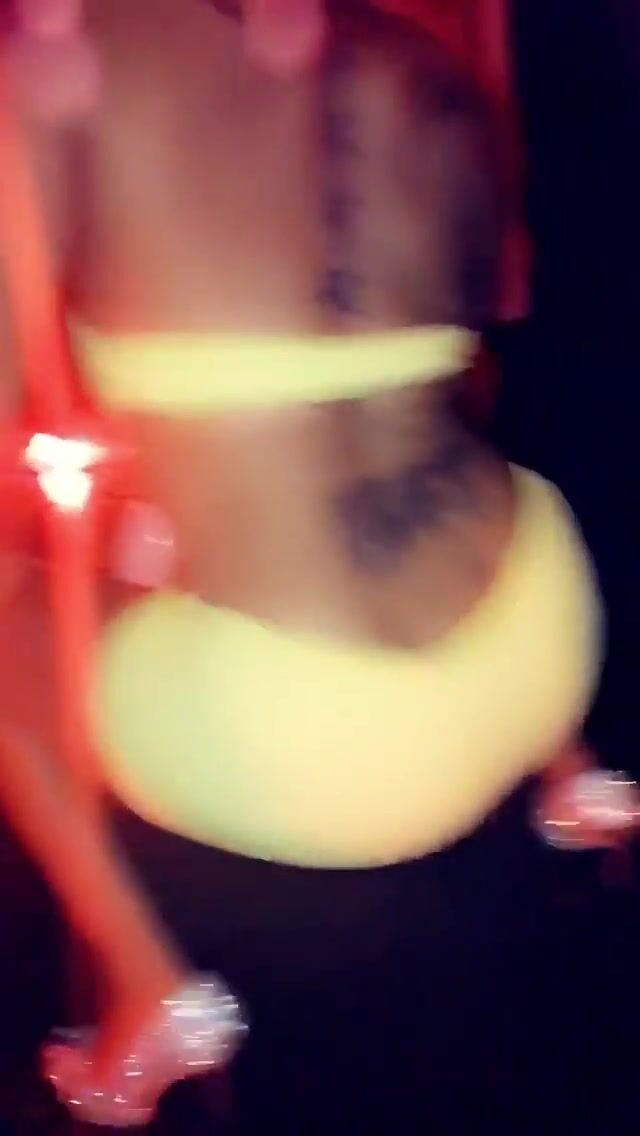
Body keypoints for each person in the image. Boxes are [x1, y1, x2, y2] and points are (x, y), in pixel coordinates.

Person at [0, 1, 633, 1132]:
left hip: (324, 755)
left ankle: (149, 991)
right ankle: (573, 778)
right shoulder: (410, 54)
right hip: (544, 615)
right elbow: (473, 331)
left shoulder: (65, 60)